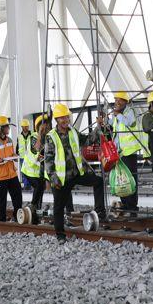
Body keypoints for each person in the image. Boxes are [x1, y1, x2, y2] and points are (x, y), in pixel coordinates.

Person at [44, 103, 107, 243]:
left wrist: (99, 127)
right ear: (56, 120)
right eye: (62, 118)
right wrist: (54, 179)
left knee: (98, 181)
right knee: (59, 207)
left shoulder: (73, 132)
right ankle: (60, 235)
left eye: (66, 117)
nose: (65, 120)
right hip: (61, 178)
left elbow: (89, 140)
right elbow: (48, 161)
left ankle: (100, 212)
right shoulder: (51, 136)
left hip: (76, 174)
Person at [111, 91, 148, 213]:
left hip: (129, 153)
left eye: (120, 100)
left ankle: (133, 207)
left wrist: (118, 115)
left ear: (125, 102)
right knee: (121, 180)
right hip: (119, 153)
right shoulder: (117, 115)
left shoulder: (130, 112)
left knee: (131, 180)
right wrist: (105, 121)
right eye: (116, 100)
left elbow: (129, 122)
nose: (117, 102)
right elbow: (113, 127)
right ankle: (126, 205)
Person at [0, 115, 24, 222]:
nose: (8, 129)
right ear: (0, 129)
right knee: (1, 200)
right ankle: (1, 221)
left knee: (18, 196)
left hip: (12, 174)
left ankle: (17, 217)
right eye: (6, 126)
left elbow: (11, 153)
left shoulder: (9, 140)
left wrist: (14, 157)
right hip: (0, 177)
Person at [18, 117, 43, 216]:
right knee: (38, 187)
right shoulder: (34, 137)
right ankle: (33, 206)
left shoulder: (45, 137)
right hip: (29, 169)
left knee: (41, 188)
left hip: (37, 170)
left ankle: (37, 208)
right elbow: (34, 152)